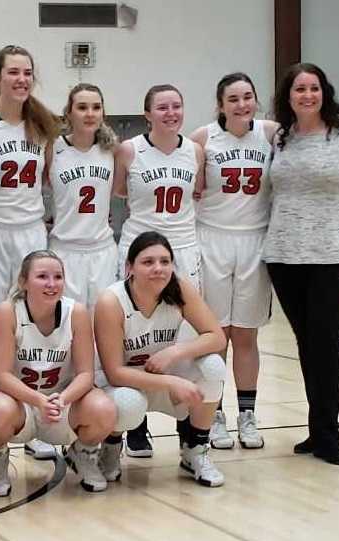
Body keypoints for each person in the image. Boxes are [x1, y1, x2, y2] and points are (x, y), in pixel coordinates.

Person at [264, 63, 339, 465]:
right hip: (284, 258)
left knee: (327, 343)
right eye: (299, 89)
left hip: (335, 259)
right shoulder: (282, 137)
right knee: (306, 344)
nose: (307, 95)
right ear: (289, 96)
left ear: (324, 92)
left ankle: (328, 435)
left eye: (314, 88)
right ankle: (316, 431)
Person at [0, 44, 60, 461]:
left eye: (27, 72)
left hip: (31, 235)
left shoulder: (42, 128)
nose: (21, 79)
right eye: (13, 72)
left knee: (35, 329)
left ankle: (35, 420)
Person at [113, 84, 204, 458]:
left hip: (183, 247)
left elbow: (198, 193)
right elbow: (120, 193)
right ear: (147, 113)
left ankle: (188, 425)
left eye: (177, 106)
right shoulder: (129, 150)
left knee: (183, 332)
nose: (171, 113)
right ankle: (137, 426)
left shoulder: (195, 152)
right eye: (162, 107)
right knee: (135, 334)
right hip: (139, 247)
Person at [0, 251, 117, 495]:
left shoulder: (77, 312)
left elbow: (86, 374)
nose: (52, 284)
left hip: (62, 405)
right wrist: (38, 401)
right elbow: (2, 376)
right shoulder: (7, 312)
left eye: (58, 277)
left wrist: (62, 400)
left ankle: (83, 452)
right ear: (23, 282)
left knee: (104, 408)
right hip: (20, 407)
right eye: (42, 277)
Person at [95, 232, 228, 487]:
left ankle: (195, 451)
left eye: (165, 261)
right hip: (121, 383)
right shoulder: (111, 301)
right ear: (129, 267)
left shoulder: (179, 289)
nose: (158, 268)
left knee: (213, 367)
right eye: (148, 262)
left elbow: (216, 337)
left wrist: (175, 352)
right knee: (129, 403)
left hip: (161, 375)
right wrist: (171, 383)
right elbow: (114, 372)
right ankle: (109, 450)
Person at [189, 73, 277, 450]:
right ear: (220, 104)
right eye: (233, 99)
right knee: (216, 335)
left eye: (248, 97)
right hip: (212, 238)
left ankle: (247, 414)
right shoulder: (202, 139)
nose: (242, 105)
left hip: (255, 240)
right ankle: (216, 413)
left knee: (246, 334)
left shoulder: (271, 133)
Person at [47, 83, 118, 309]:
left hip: (102, 250)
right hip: (64, 249)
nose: (90, 114)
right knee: (65, 323)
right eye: (82, 107)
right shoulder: (53, 148)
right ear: (69, 113)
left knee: (102, 322)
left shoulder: (112, 150)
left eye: (96, 107)